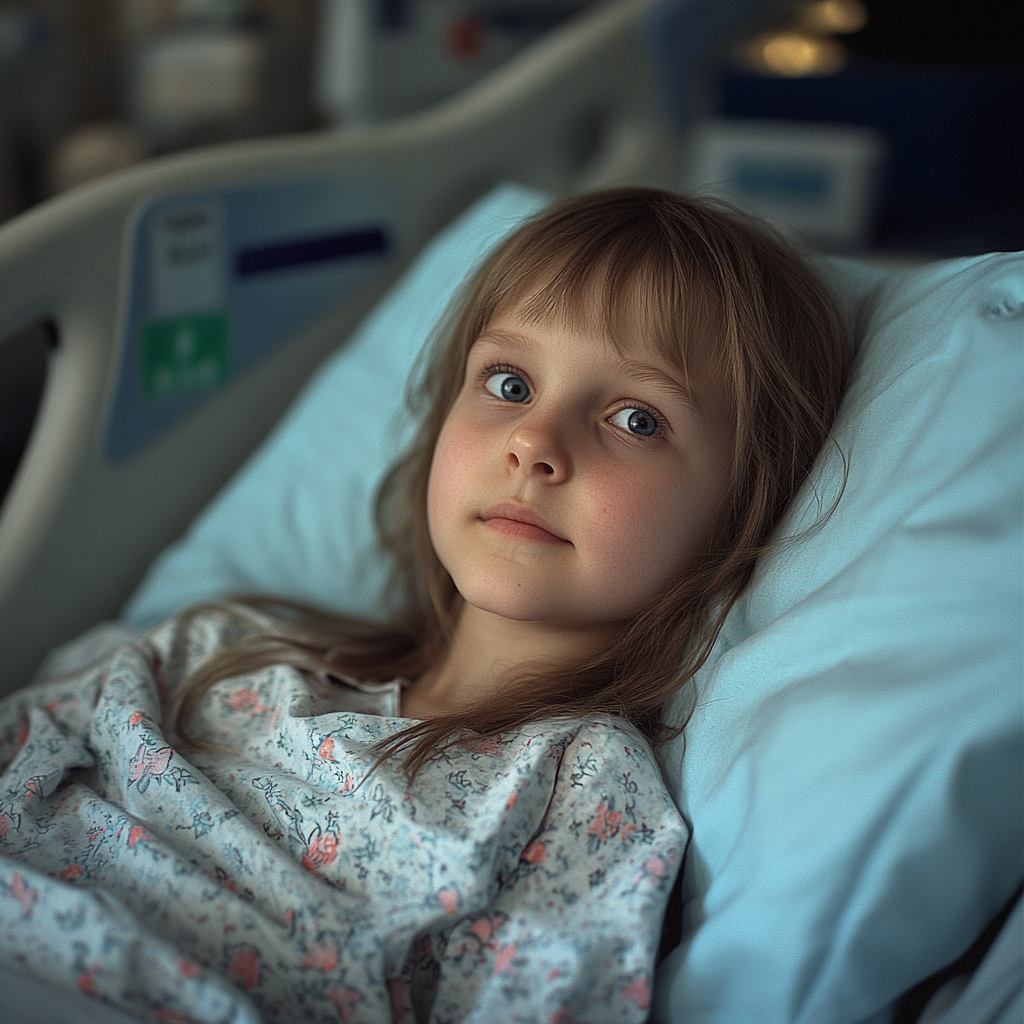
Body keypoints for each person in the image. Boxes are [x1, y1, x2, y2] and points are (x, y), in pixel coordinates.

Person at [0, 188, 850, 1022]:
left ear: (739, 514)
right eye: (511, 385)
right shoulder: (219, 647)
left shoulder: (578, 797)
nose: (534, 443)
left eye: (636, 418)